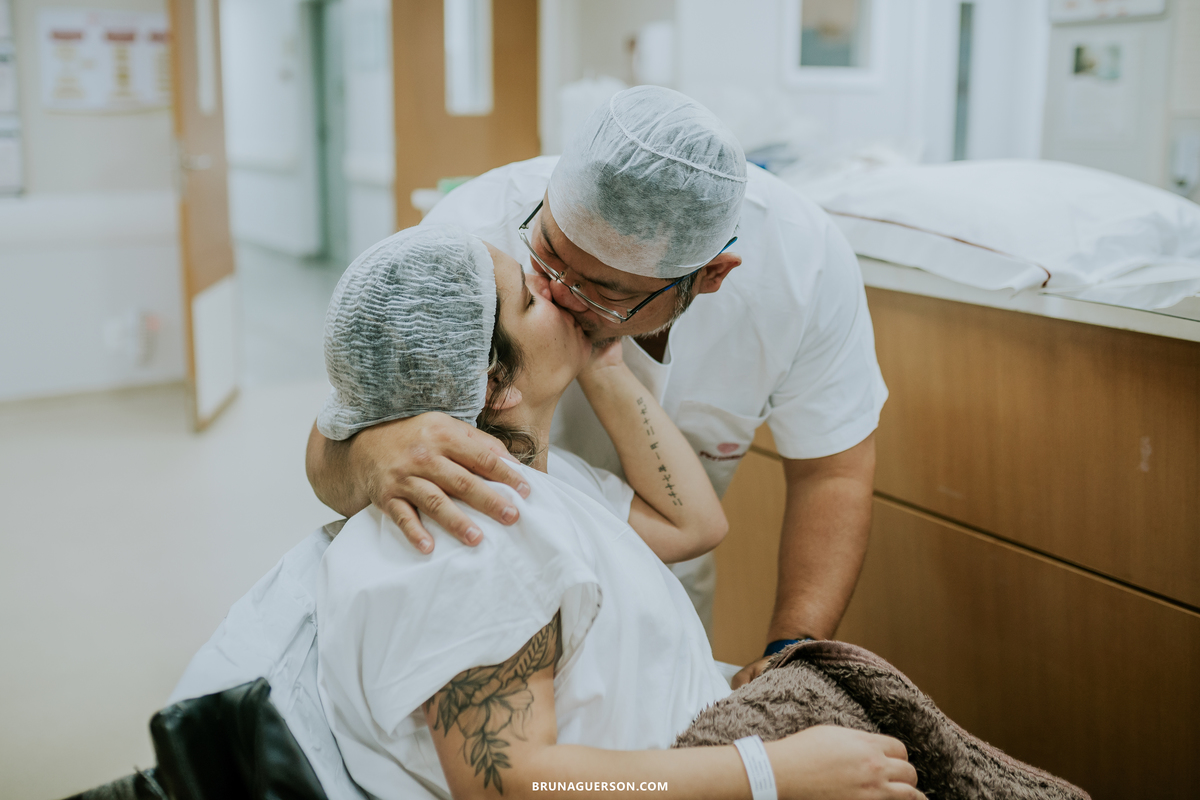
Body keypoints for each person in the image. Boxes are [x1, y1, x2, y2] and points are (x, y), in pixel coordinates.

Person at [314, 224, 922, 800]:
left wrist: (601, 363)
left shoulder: (540, 481)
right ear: (494, 385)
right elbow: (516, 789)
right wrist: (769, 774)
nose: (554, 288)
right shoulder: (477, 535)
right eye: (531, 298)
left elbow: (694, 525)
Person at [305, 87, 887, 687]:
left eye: (602, 291)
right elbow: (334, 438)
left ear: (709, 276)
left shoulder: (805, 268)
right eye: (546, 256)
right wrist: (375, 455)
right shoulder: (469, 254)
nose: (557, 292)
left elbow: (828, 475)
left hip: (651, 591)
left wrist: (793, 654)